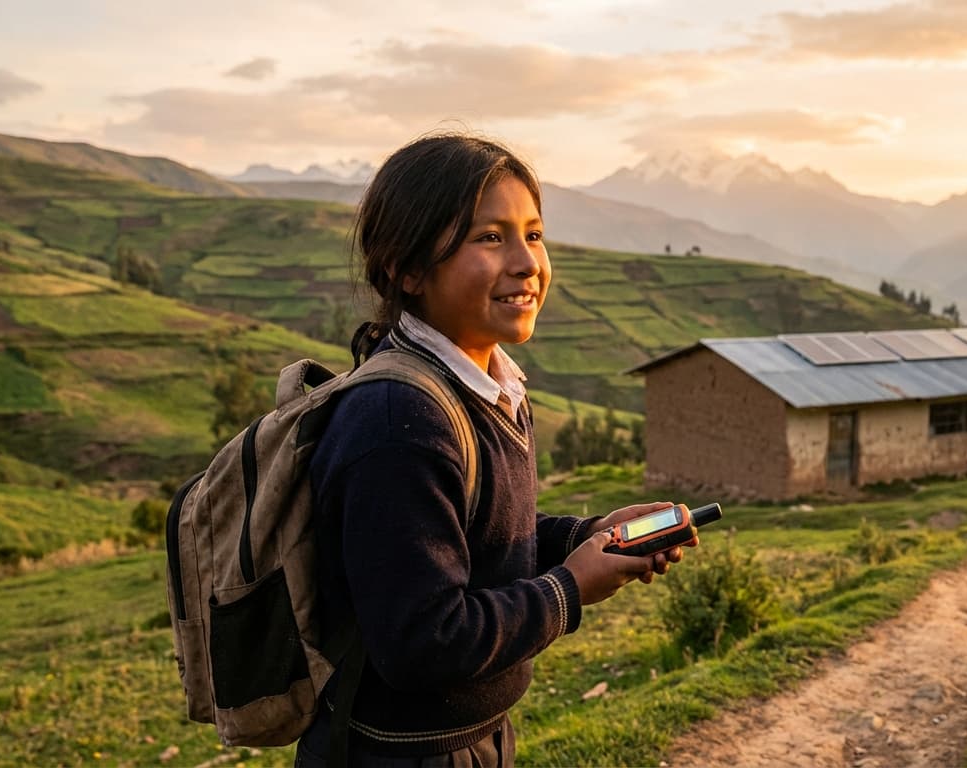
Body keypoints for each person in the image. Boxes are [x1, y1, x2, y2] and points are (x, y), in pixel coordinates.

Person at [294, 133, 693, 767]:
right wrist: (570, 588)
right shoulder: (398, 418)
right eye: (490, 238)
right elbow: (422, 641)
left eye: (533, 234)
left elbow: (467, 534)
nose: (527, 262)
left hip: (473, 741)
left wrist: (587, 536)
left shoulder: (489, 387)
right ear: (408, 268)